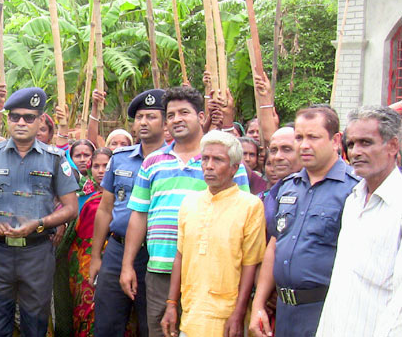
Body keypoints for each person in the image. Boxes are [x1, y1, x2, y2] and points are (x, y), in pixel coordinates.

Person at [120, 86, 250, 336]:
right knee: (160, 331)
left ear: (201, 117)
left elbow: (241, 216)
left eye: (184, 113)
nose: (176, 119)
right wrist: (127, 265)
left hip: (209, 273)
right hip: (160, 270)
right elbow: (139, 216)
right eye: (171, 115)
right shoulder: (152, 162)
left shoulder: (223, 162)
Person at [0, 87, 79, 337]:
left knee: (35, 324)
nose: (21, 122)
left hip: (37, 253)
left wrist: (39, 223)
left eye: (29, 117)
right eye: (15, 116)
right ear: (8, 119)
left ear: (40, 120)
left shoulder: (55, 158)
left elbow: (71, 208)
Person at [250, 105, 359, 337]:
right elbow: (274, 247)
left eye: (313, 137)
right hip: (285, 310)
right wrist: (258, 304)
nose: (304, 145)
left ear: (335, 140)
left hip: (326, 309)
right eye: (299, 137)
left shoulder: (355, 189)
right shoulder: (287, 186)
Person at [160, 130, 266, 337]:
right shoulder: (189, 203)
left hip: (226, 317)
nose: (208, 166)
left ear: (235, 168)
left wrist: (238, 312)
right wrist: (171, 304)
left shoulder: (250, 206)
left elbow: (250, 264)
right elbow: (180, 256)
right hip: (191, 314)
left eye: (218, 160)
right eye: (205, 159)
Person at [316, 106, 402, 336]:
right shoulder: (353, 201)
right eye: (351, 144)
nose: (355, 152)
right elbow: (341, 282)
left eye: (366, 143)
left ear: (393, 146)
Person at [89, 88, 166, 337]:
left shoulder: (175, 160)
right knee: (107, 323)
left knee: (152, 324)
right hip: (117, 249)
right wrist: (96, 257)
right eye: (139, 117)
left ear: (166, 122)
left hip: (156, 253)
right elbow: (105, 209)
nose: (143, 122)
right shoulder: (120, 159)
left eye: (151, 116)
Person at [68, 147, 112, 337]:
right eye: (96, 166)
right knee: (84, 311)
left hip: (112, 261)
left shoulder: (123, 199)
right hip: (83, 267)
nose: (101, 170)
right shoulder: (84, 197)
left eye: (106, 166)